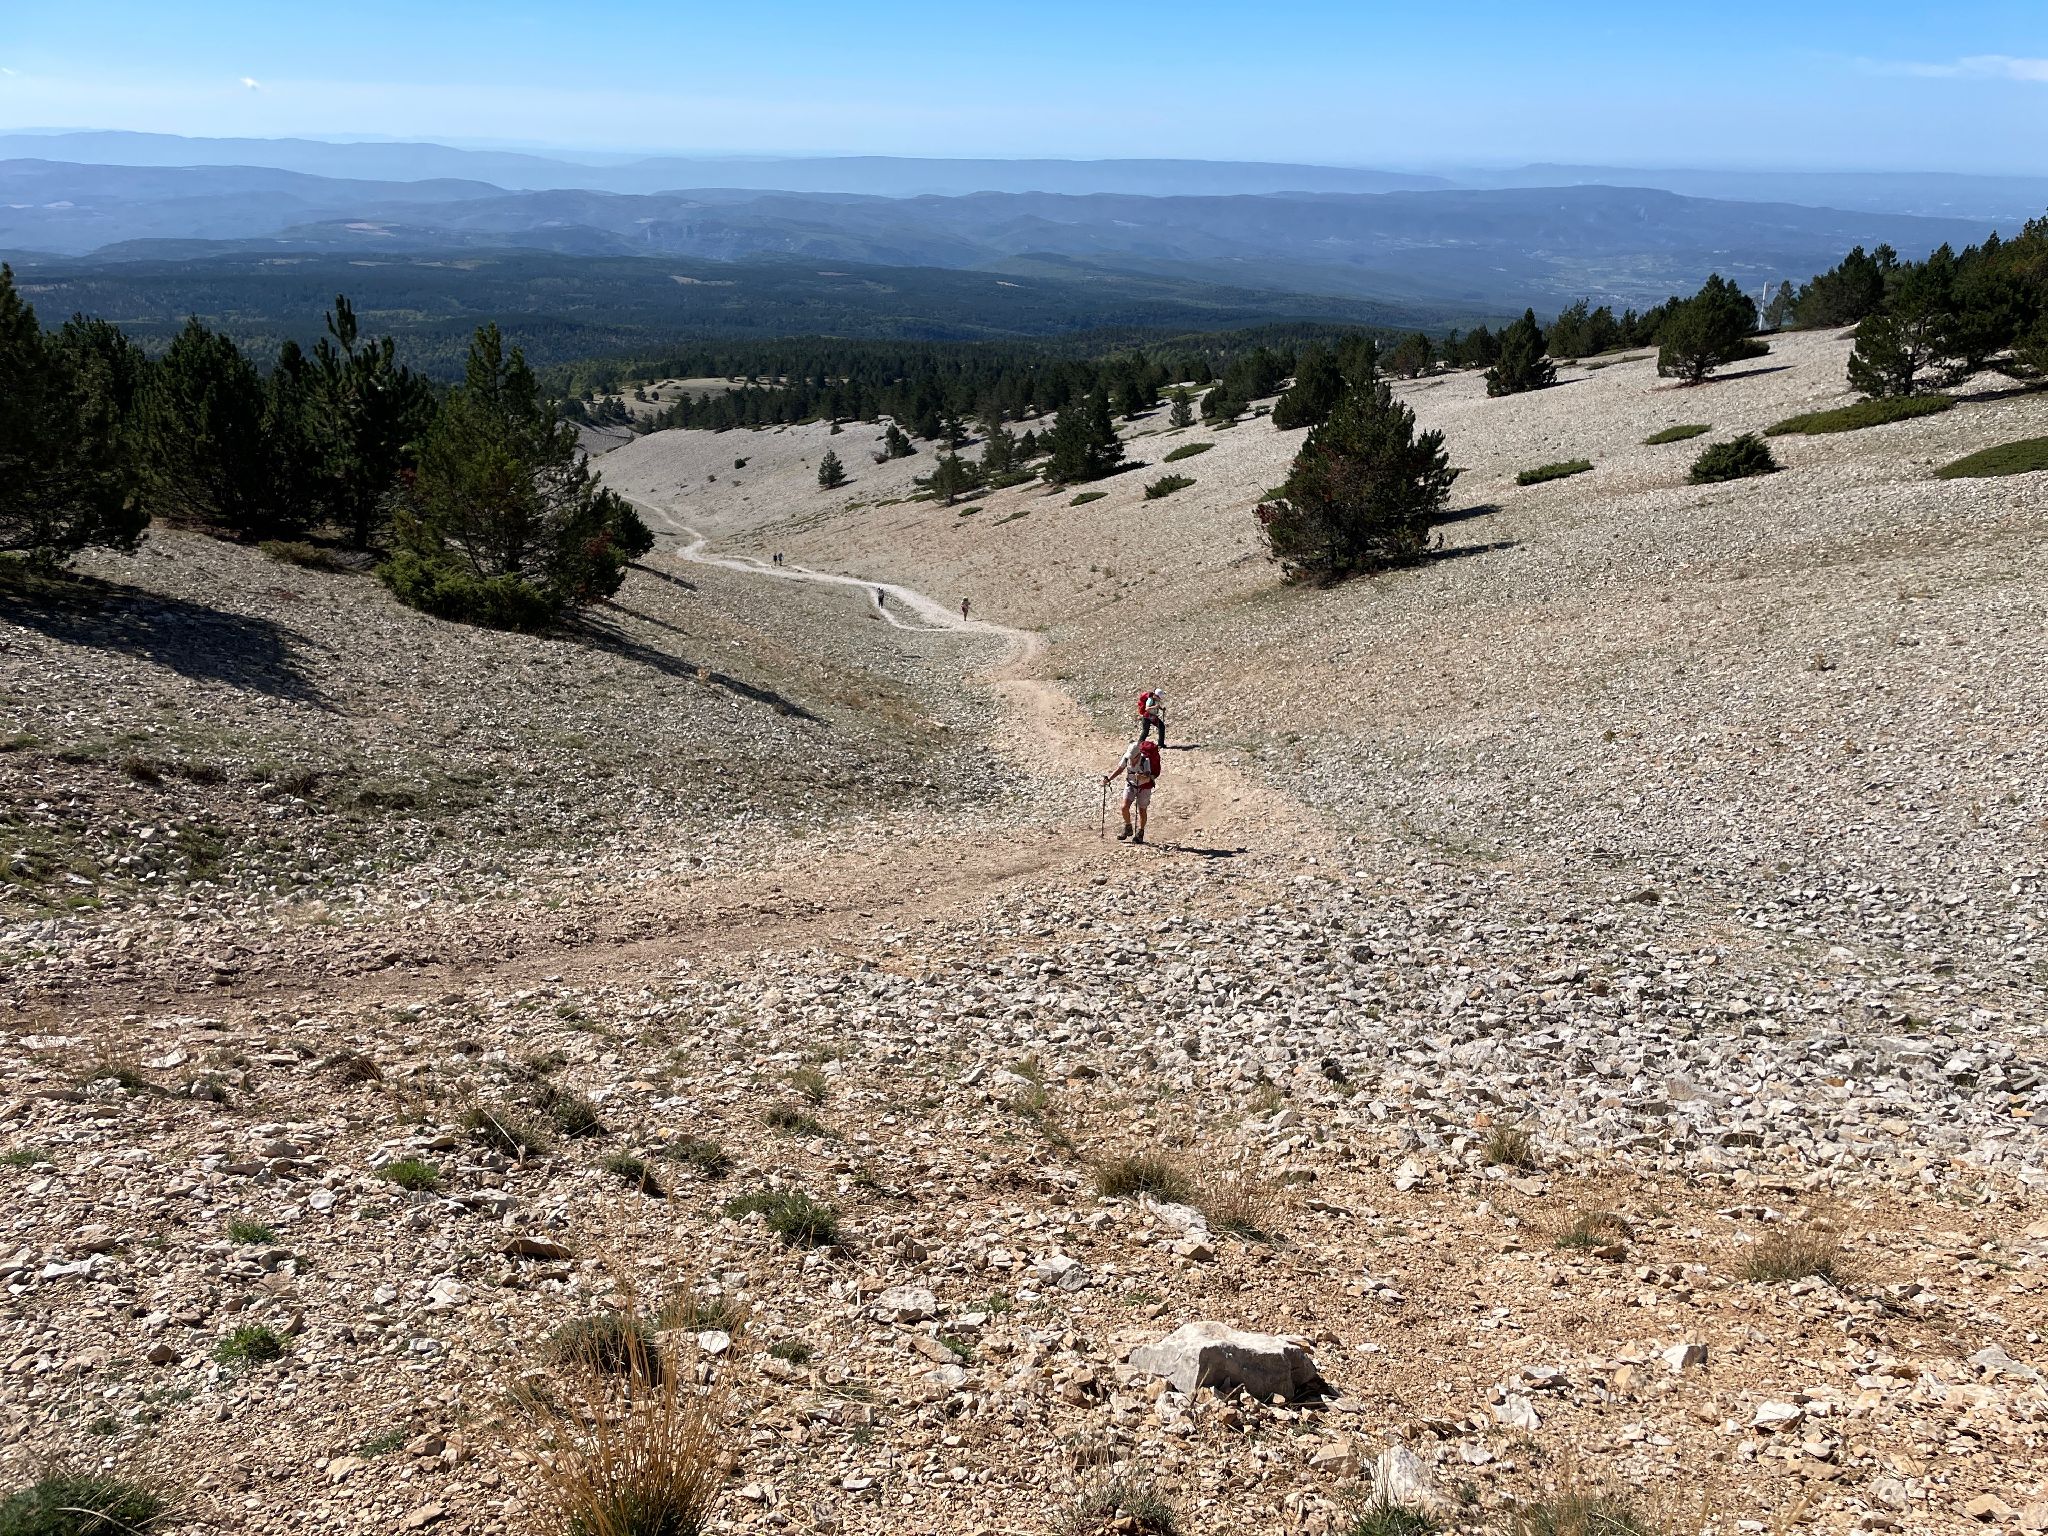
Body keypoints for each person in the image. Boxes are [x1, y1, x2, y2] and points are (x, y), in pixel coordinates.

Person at [1103, 736, 1162, 844]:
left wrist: (1141, 777)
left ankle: (1140, 832)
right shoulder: (1126, 757)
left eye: (1133, 757)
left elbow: (1148, 778)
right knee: (1124, 807)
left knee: (1142, 810)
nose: (1131, 759)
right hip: (1130, 784)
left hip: (1144, 787)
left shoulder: (1145, 760)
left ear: (1138, 754)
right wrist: (1109, 779)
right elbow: (1120, 769)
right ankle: (1128, 827)